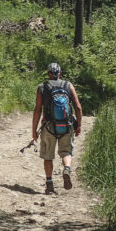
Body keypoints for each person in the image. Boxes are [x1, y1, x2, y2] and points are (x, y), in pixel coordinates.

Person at [32, 62, 82, 195]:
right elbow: (78, 107)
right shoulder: (68, 85)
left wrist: (34, 130)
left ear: (48, 74)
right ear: (60, 73)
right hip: (67, 125)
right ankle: (66, 168)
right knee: (66, 151)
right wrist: (79, 125)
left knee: (48, 155)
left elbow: (37, 110)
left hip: (48, 126)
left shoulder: (42, 87)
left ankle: (49, 184)